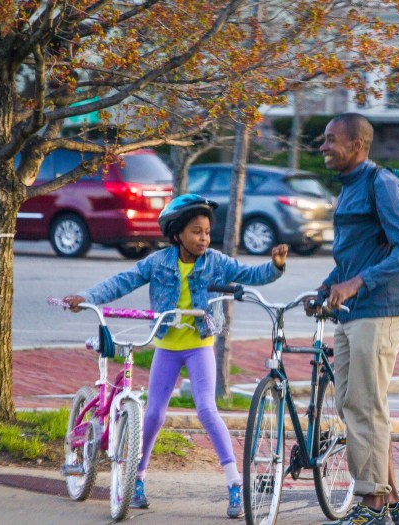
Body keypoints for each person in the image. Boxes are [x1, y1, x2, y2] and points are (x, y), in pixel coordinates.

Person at [63, 194, 288, 519]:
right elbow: (123, 281)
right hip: (166, 346)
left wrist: (276, 266)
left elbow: (250, 274)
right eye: (197, 231)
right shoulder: (158, 262)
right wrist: (87, 296)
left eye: (208, 232)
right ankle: (135, 481)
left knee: (207, 410)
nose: (204, 238)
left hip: (199, 345)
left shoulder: (215, 261)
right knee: (152, 415)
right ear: (177, 233)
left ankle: (235, 484)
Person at [311, 113, 399, 525]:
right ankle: (393, 502)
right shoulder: (348, 188)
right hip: (352, 309)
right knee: (353, 403)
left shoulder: (382, 185)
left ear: (357, 145)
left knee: (364, 405)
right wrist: (327, 288)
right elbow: (353, 257)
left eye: (330, 140)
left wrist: (358, 283)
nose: (323, 147)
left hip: (383, 308)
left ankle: (371, 504)